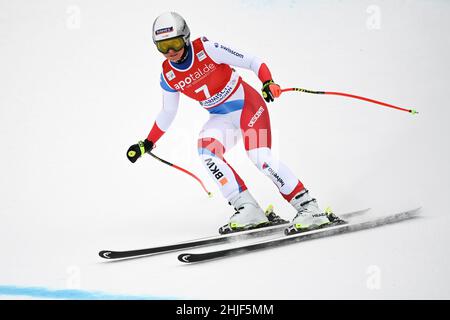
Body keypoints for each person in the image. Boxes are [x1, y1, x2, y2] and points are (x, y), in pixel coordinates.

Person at [127, 12, 339, 234]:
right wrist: (147, 143)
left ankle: (310, 208)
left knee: (259, 155)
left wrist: (268, 81)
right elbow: (168, 111)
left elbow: (252, 61)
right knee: (206, 152)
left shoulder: (207, 49)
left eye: (175, 43)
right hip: (220, 117)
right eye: (163, 47)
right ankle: (248, 209)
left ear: (186, 37)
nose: (170, 52)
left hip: (248, 106)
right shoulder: (168, 75)